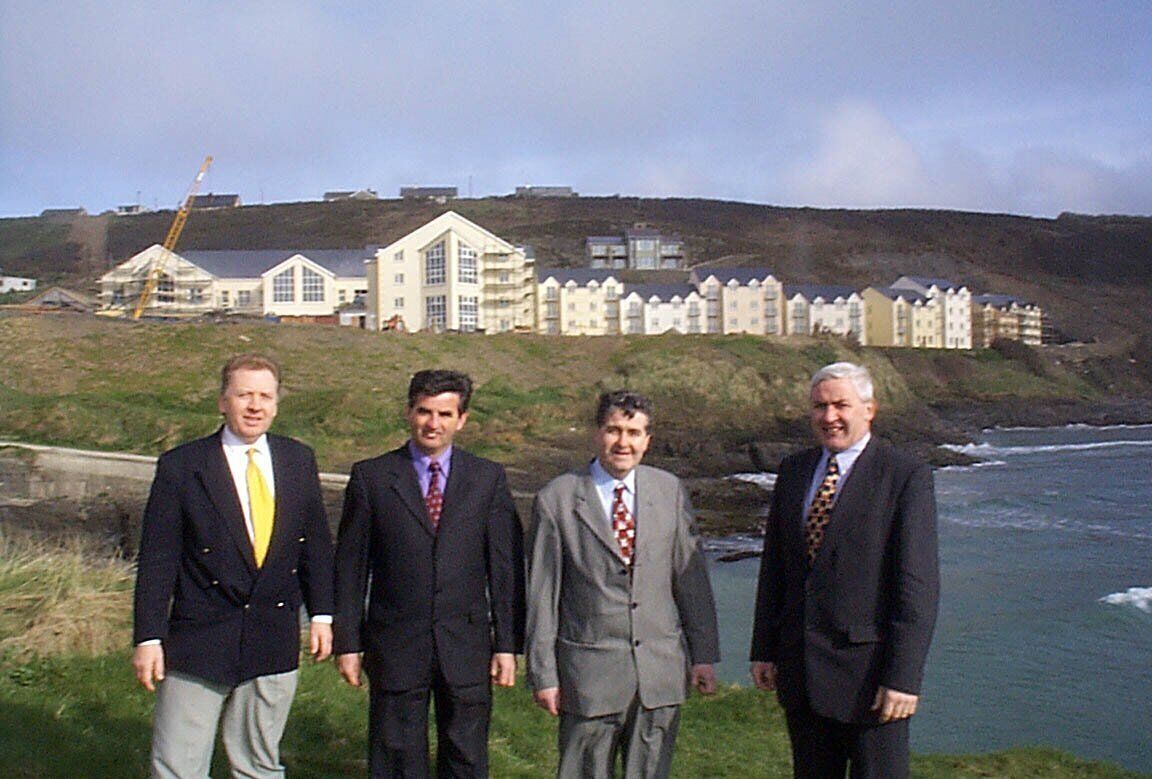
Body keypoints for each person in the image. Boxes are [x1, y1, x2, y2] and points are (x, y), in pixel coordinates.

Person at [132, 353, 335, 778]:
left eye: (265, 396)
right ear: (223, 401)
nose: (255, 406)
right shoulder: (182, 467)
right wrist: (149, 636)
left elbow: (314, 544)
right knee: (178, 767)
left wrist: (321, 614)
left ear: (277, 403)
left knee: (258, 765)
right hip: (199, 638)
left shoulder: (299, 460)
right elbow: (158, 558)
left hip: (272, 636)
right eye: (244, 395)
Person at [749, 361, 939, 779]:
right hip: (802, 674)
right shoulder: (794, 471)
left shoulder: (904, 475)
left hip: (872, 679)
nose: (829, 417)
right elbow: (776, 566)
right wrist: (764, 647)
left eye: (841, 405)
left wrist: (904, 678)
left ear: (869, 409)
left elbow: (917, 586)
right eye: (819, 406)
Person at [333, 369, 525, 778]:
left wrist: (507, 644)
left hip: (466, 644)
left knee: (467, 757)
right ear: (408, 412)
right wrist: (347, 643)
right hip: (397, 643)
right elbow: (350, 570)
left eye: (444, 414)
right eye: (424, 412)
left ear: (462, 419)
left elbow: (504, 570)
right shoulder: (372, 478)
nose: (432, 424)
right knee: (396, 757)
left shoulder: (487, 479)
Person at [526, 389, 721, 778]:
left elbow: (691, 580)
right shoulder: (558, 498)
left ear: (647, 440)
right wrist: (544, 673)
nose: (623, 442)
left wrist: (703, 655)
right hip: (589, 675)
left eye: (634, 433)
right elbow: (542, 595)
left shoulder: (669, 491)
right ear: (598, 433)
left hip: (658, 674)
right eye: (614, 430)